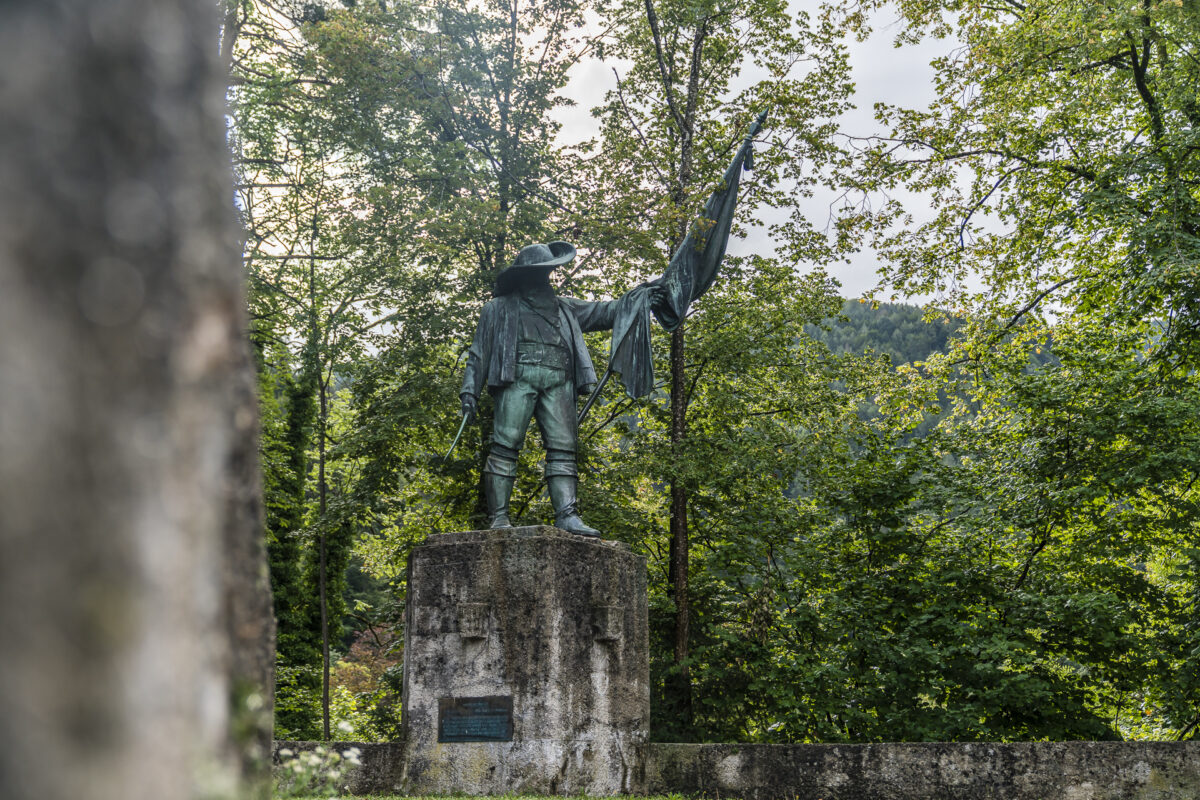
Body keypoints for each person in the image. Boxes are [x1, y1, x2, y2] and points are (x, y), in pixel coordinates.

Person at [459, 241, 666, 537]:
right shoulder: (498, 308)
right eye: (536, 273)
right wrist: (470, 391)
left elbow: (607, 312)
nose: (543, 278)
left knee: (563, 450)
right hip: (516, 378)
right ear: (523, 276)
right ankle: (499, 517)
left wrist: (641, 296)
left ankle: (567, 514)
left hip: (559, 379)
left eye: (546, 272)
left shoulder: (566, 308)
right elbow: (478, 351)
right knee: (505, 446)